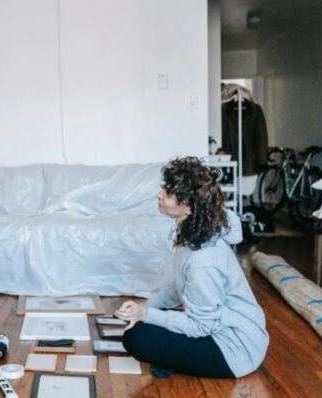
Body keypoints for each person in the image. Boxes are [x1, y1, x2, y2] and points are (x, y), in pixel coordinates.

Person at [115, 157, 269, 378]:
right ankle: (176, 357)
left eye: (168, 193)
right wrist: (143, 307)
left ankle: (177, 359)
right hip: (217, 329)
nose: (159, 195)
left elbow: (201, 327)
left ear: (188, 206)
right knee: (140, 325)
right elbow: (175, 287)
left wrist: (147, 314)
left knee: (136, 338)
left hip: (234, 349)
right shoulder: (192, 232)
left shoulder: (203, 260)